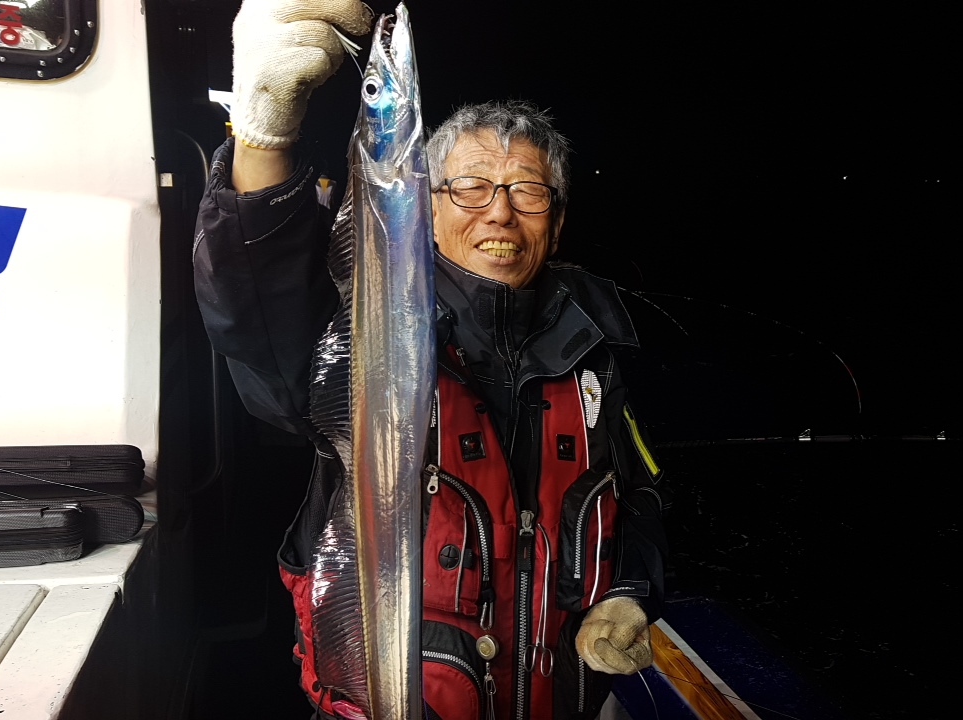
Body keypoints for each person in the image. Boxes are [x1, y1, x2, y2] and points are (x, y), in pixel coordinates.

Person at [193, 2, 668, 718]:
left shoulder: (596, 354)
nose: (499, 212)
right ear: (426, 203)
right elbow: (259, 316)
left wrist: (630, 590)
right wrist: (264, 136)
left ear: (557, 222)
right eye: (470, 187)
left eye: (528, 192)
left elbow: (639, 495)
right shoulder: (368, 318)